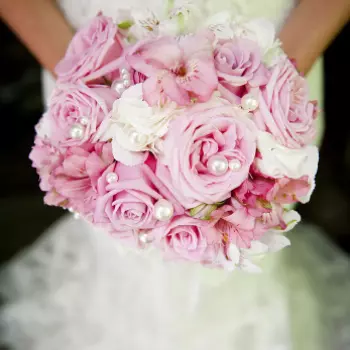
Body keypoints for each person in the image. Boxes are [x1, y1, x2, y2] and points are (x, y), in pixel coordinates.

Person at [0, 1, 349, 349]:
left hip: (268, 61)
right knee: (120, 253)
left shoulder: (268, 88)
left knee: (241, 262)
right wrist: (89, 79)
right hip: (96, 67)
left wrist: (274, 85)